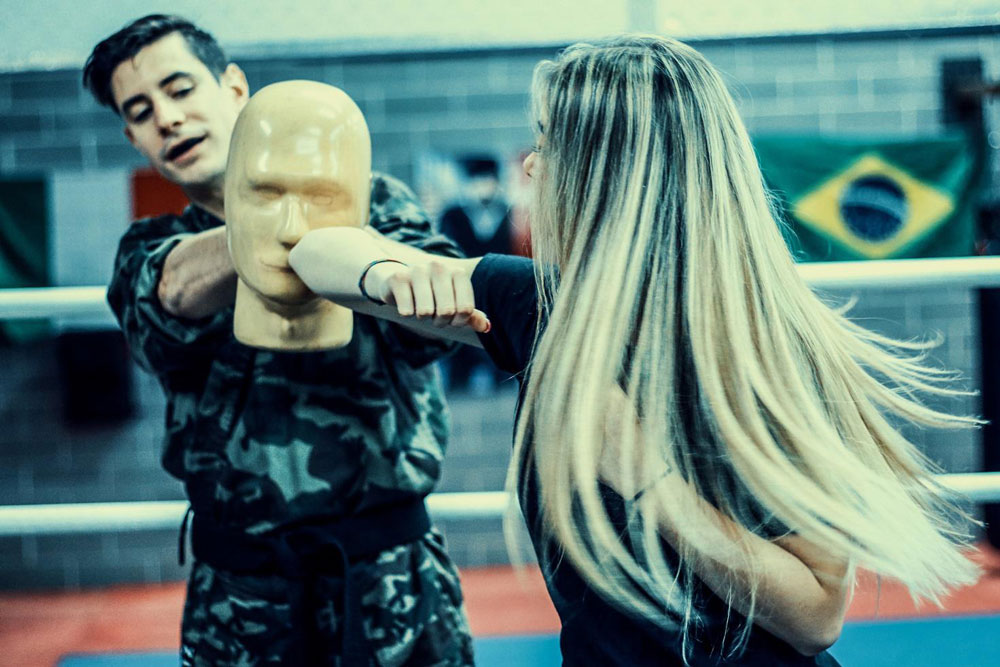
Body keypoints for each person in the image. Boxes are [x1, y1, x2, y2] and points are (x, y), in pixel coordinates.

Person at [288, 35, 981, 666]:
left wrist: (654, 484)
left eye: (548, 141)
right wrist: (391, 274)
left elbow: (817, 614)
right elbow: (318, 253)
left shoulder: (767, 350)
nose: (531, 165)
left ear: (609, 173)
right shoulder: (542, 306)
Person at [83, 14, 473, 667]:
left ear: (234, 88)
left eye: (180, 89)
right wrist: (261, 226)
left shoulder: (375, 202)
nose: (168, 119)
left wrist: (365, 256)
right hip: (241, 589)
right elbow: (165, 297)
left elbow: (439, 320)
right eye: (142, 111)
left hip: (388, 572)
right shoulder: (150, 247)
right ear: (131, 136)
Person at [438, 155, 513, 393]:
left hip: (502, 289)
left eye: (487, 179)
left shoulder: (511, 213)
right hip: (464, 287)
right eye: (478, 179)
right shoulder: (453, 215)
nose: (483, 185)